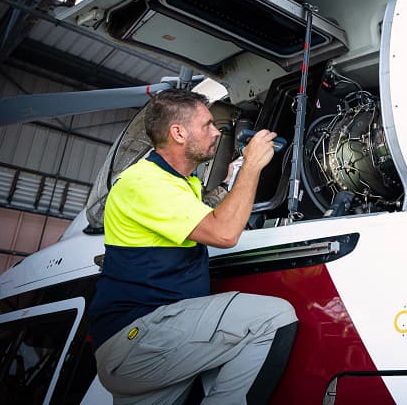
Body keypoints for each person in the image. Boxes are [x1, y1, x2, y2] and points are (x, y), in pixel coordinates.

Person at [88, 88, 297, 404]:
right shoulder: (145, 184)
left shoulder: (178, 183)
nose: (216, 132)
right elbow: (225, 233)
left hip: (135, 348)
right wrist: (252, 165)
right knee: (270, 318)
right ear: (178, 133)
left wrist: (230, 182)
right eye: (207, 125)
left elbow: (203, 214)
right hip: (144, 335)